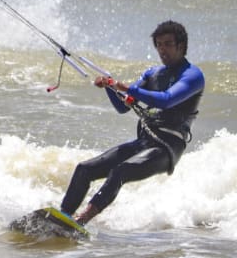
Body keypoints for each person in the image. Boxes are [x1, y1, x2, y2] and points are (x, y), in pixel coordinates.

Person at [60, 20, 204, 226]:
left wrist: (126, 88)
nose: (162, 50)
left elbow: (166, 99)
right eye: (159, 45)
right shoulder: (153, 74)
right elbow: (123, 106)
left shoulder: (193, 76)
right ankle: (62, 218)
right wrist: (110, 86)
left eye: (168, 44)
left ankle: (81, 220)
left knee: (120, 171)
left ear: (181, 46)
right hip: (144, 141)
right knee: (85, 169)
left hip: (167, 148)